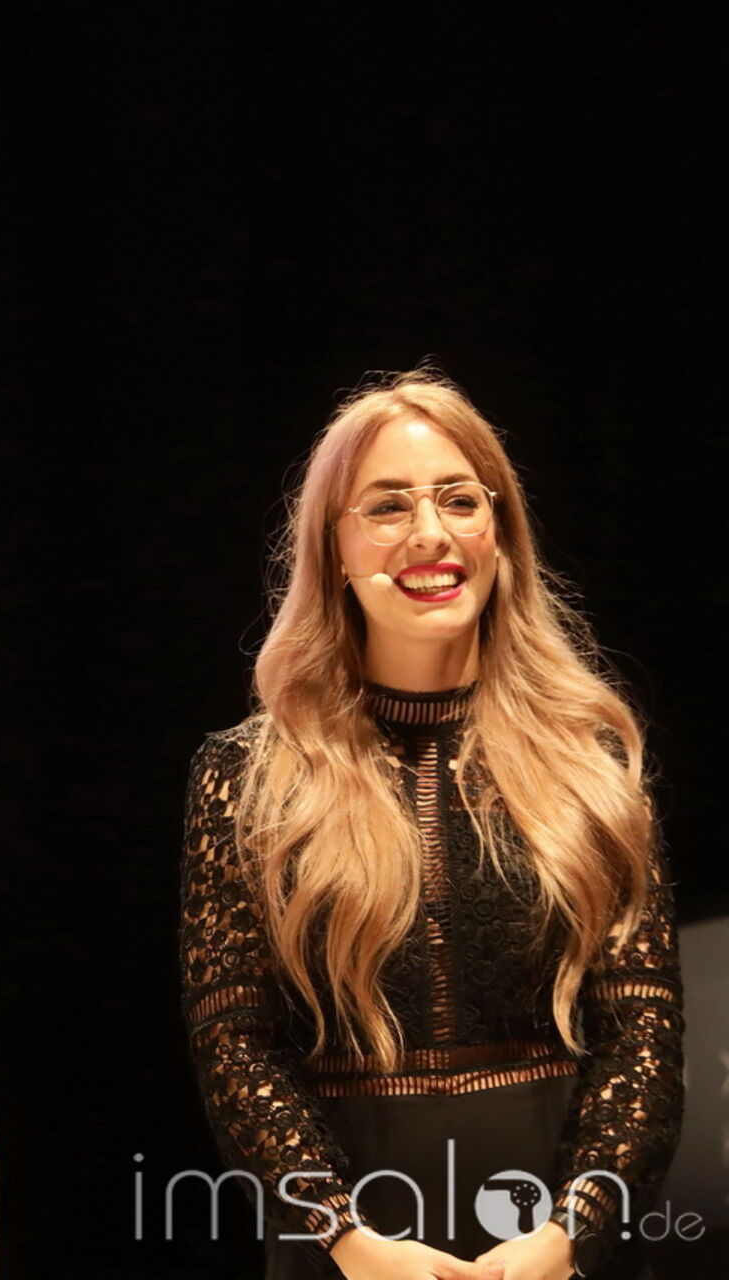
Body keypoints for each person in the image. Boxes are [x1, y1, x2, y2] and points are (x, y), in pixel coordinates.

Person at [180, 370, 683, 1280]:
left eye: (459, 499)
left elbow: (642, 1033)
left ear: (501, 533)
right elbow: (235, 1041)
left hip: (557, 1247)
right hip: (348, 1252)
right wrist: (345, 1239)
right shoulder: (248, 777)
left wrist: (569, 1234)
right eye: (386, 506)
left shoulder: (590, 761)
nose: (430, 533)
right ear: (333, 549)